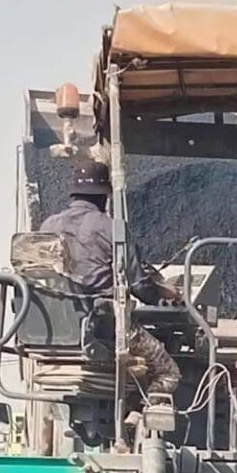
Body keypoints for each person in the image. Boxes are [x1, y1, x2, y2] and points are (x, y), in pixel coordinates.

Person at [41, 159, 181, 392]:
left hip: (55, 328)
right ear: (104, 196)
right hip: (105, 328)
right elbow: (140, 285)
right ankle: (146, 409)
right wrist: (165, 295)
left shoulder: (47, 226)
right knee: (168, 373)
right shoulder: (113, 229)